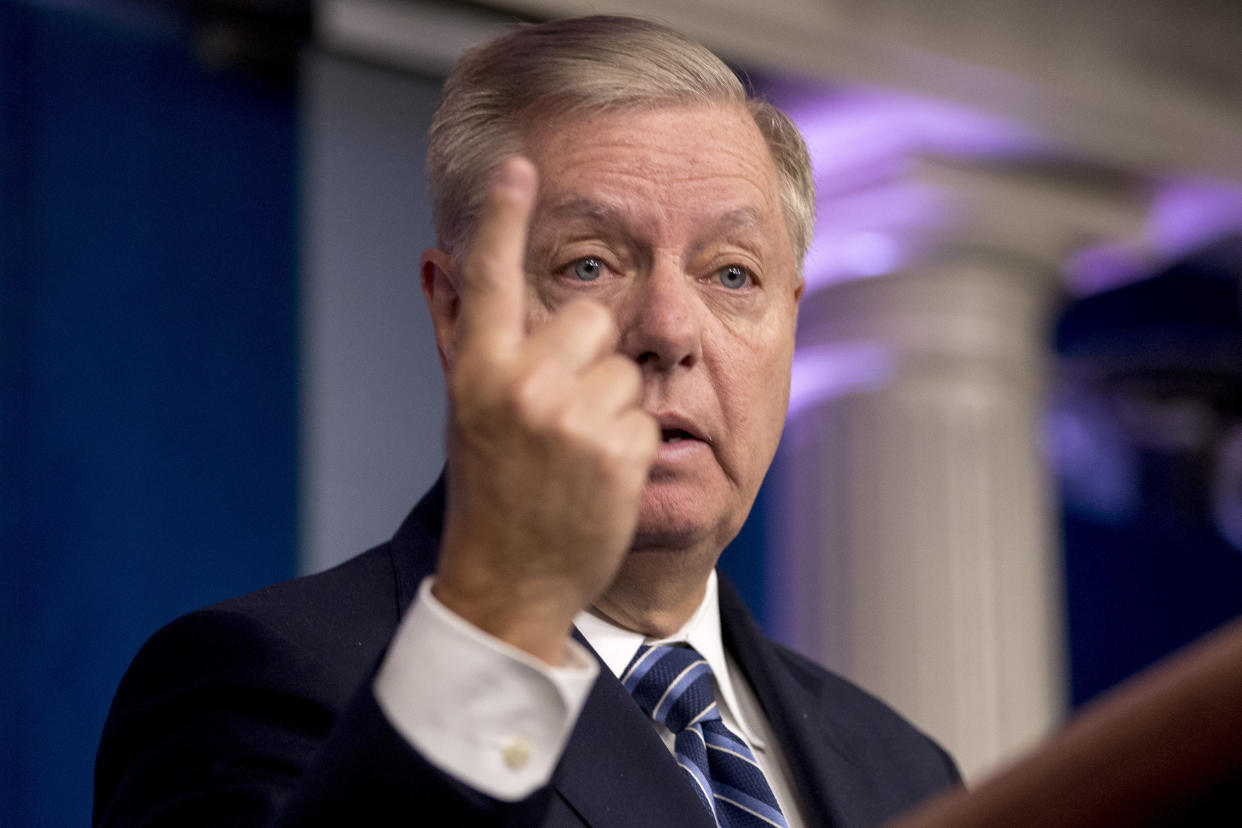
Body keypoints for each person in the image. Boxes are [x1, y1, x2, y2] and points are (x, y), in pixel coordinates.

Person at [95, 15, 959, 827]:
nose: (668, 329)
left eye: (732, 276)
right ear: (457, 315)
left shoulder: (905, 773)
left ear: (791, 320)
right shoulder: (255, 685)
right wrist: (506, 610)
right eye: (590, 265)